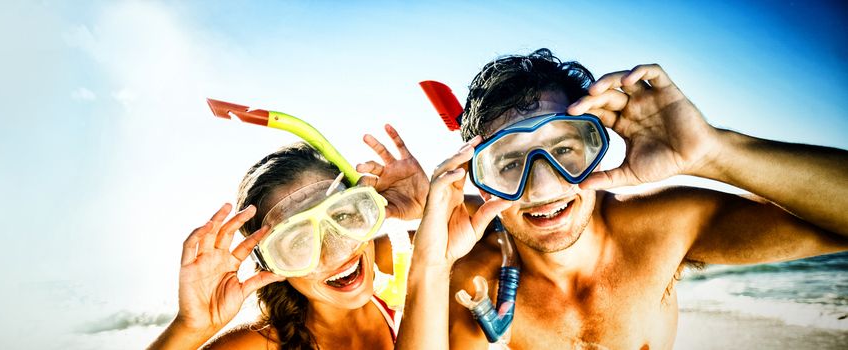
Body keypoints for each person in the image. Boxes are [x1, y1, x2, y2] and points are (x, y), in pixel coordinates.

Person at [393, 49, 848, 349]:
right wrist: (429, 265)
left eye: (565, 149)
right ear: (478, 175)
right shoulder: (473, 281)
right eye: (509, 162)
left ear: (598, 145)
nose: (543, 187)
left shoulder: (660, 228)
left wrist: (715, 153)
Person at [148, 127, 429, 350]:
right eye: (299, 241)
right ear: (272, 264)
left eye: (341, 216)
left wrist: (429, 206)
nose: (337, 252)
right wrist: (190, 329)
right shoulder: (261, 346)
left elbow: (470, 232)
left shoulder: (394, 257)